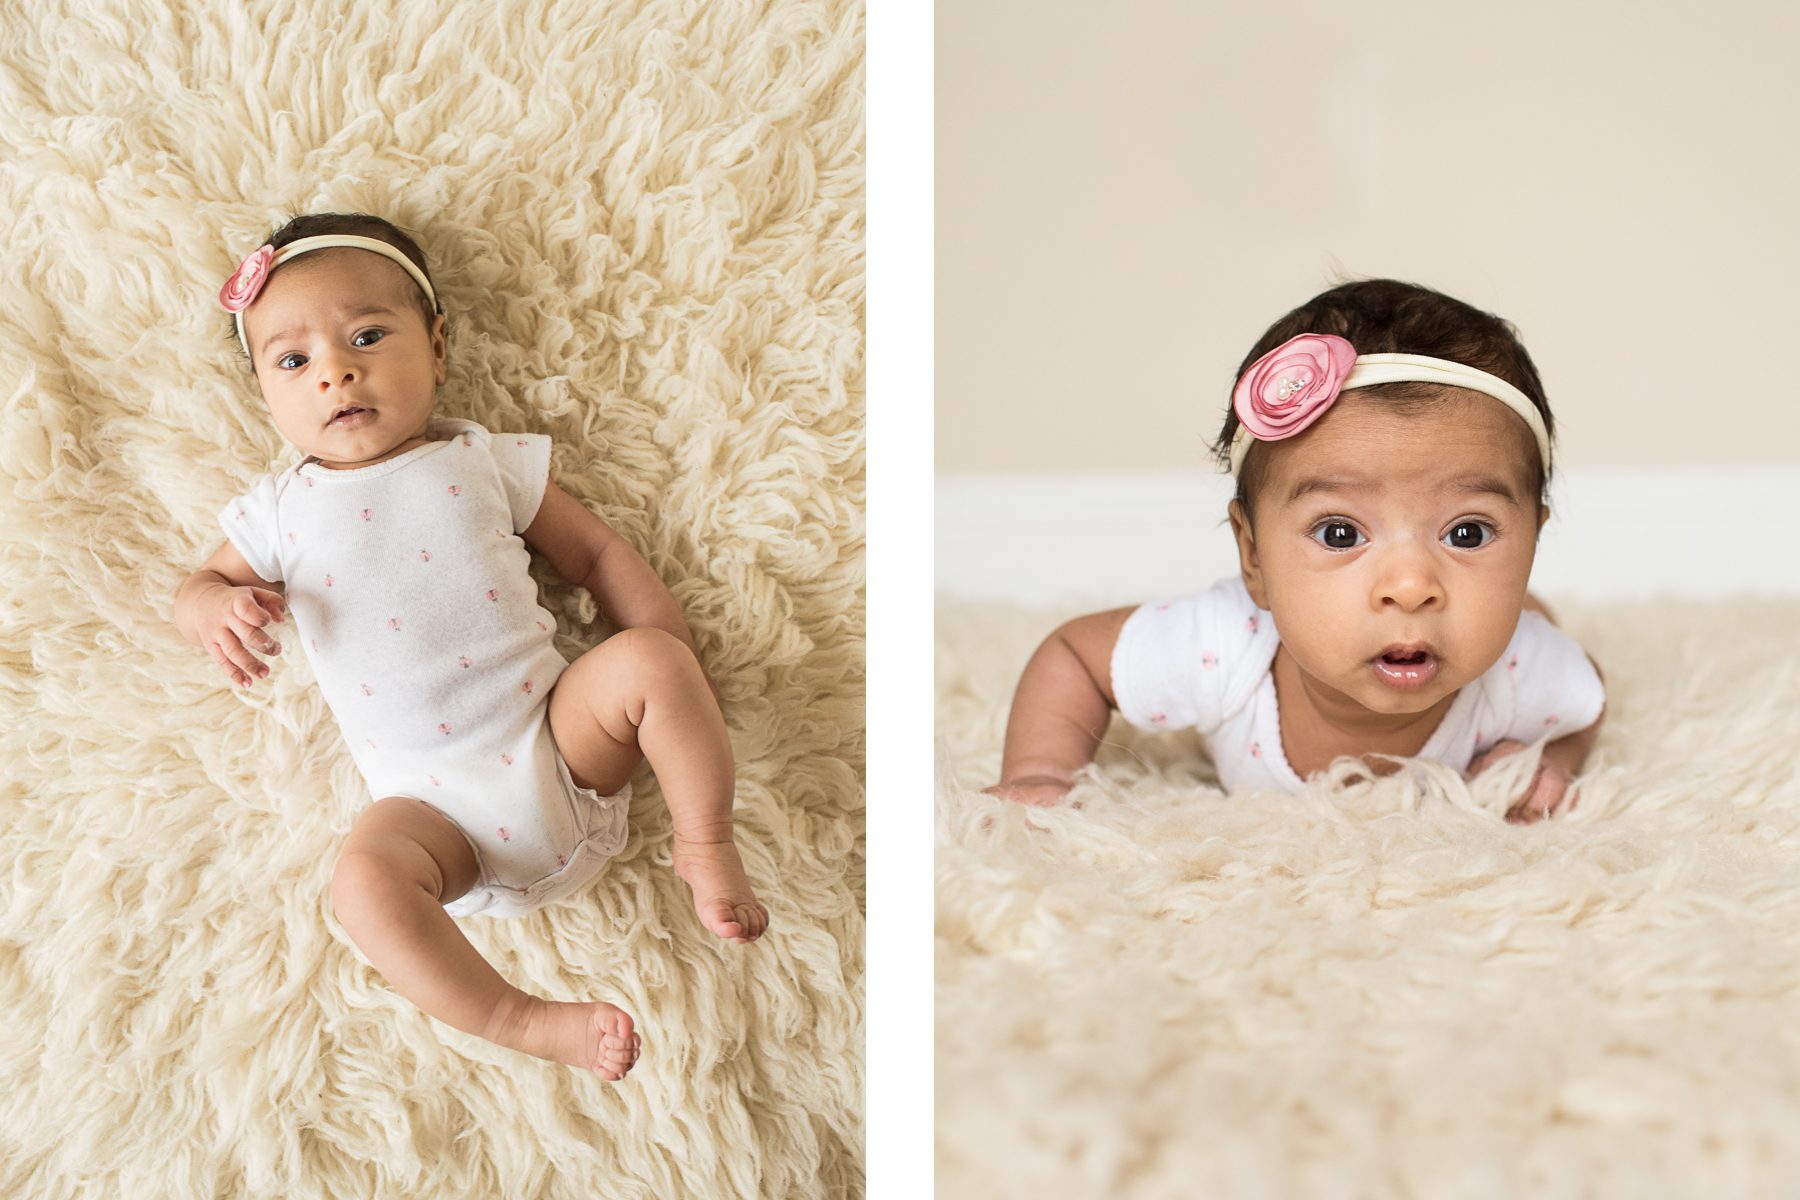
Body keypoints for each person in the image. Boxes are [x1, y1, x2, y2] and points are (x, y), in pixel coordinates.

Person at [171, 212, 769, 1080]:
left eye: (366, 337)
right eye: (292, 361)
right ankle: (521, 1018)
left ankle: (706, 843)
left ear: (438, 347)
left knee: (651, 661)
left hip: (558, 743)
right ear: (264, 390)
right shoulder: (277, 510)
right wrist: (211, 610)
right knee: (362, 885)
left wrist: (671, 668)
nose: (335, 372)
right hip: (434, 819)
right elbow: (197, 586)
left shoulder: (479, 459)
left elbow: (597, 555)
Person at [989, 279, 1605, 823]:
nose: (1411, 585)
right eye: (1340, 534)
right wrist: (1042, 770)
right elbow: (1076, 656)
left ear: (1533, 541)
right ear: (1254, 556)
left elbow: (1588, 697)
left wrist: (1553, 758)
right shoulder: (1222, 646)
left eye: (1467, 534)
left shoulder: (1515, 667)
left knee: (1532, 621)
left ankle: (1530, 604)